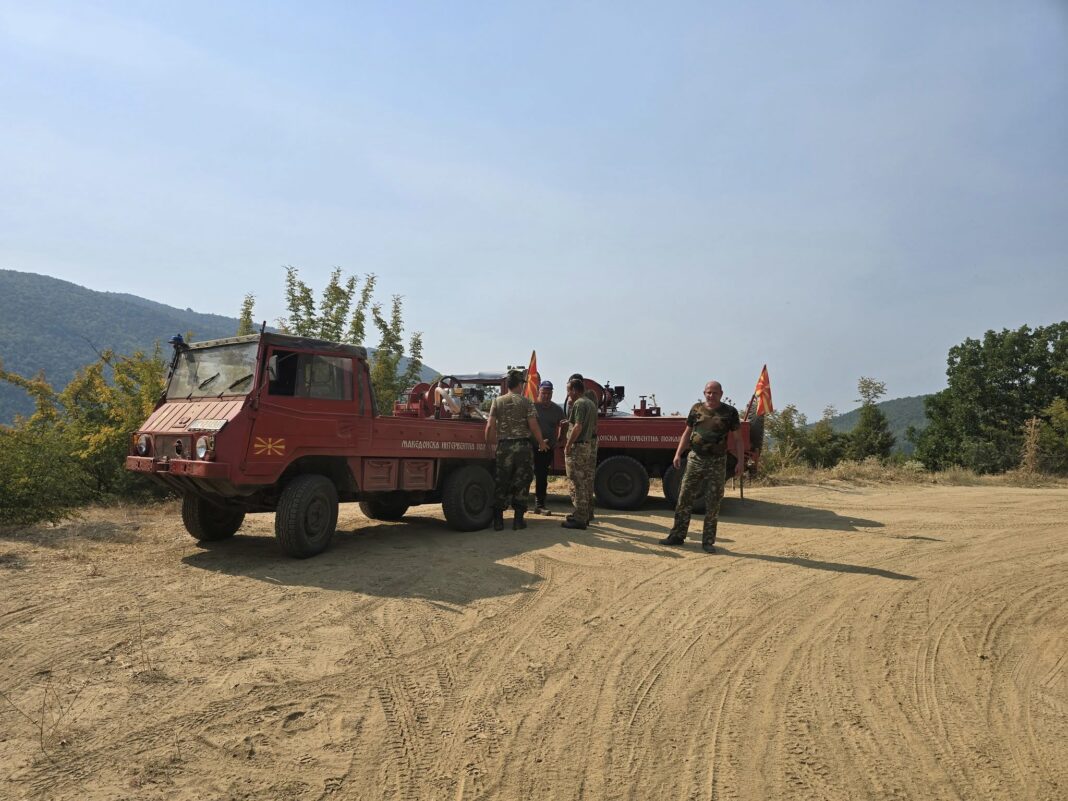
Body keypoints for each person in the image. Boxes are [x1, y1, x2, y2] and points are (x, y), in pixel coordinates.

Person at [660, 380, 743, 553]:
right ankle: (677, 535)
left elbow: (738, 439)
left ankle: (708, 541)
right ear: (704, 393)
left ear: (721, 394)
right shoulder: (696, 409)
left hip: (717, 462)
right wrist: (678, 454)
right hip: (695, 459)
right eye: (708, 392)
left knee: (713, 501)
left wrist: (740, 462)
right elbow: (687, 433)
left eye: (715, 392)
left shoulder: (730, 412)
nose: (711, 395)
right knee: (684, 497)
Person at [485, 371, 549, 531]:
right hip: (523, 448)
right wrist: (541, 442)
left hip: (504, 447)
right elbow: (533, 425)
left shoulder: (497, 401)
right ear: (520, 384)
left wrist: (490, 445)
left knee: (501, 482)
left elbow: (490, 426)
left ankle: (498, 521)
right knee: (522, 482)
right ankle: (518, 521)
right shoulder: (526, 402)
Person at [561, 378, 597, 530]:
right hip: (586, 446)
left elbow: (577, 426)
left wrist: (568, 445)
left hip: (578, 447)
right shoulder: (590, 403)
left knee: (577, 482)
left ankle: (580, 518)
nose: (568, 394)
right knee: (584, 481)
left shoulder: (579, 403)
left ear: (575, 390)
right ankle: (584, 514)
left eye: (569, 390)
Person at [532, 381, 565, 514]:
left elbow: (563, 424)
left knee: (542, 477)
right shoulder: (532, 407)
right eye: (543, 393)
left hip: (546, 449)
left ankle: (539, 505)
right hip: (531, 447)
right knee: (524, 476)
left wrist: (560, 439)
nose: (546, 396)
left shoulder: (557, 410)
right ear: (538, 392)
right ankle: (519, 505)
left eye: (549, 393)